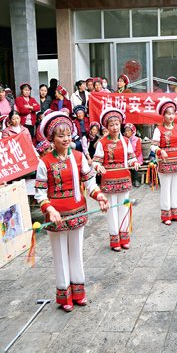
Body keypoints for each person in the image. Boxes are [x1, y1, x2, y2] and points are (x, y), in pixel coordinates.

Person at [34, 111, 109, 312]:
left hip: (77, 213)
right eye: (61, 135)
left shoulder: (78, 157)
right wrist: (49, 209)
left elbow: (90, 182)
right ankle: (64, 295)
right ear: (52, 138)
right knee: (60, 255)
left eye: (68, 134)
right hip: (56, 217)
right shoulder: (45, 162)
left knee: (76, 252)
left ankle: (78, 292)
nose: (66, 139)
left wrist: (99, 195)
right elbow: (40, 193)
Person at [93, 108, 140, 251]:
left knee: (124, 207)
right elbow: (96, 161)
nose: (114, 127)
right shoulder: (102, 142)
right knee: (112, 209)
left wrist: (135, 163)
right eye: (111, 124)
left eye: (117, 124)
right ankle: (114, 239)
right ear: (107, 127)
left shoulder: (126, 141)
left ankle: (125, 238)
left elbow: (131, 157)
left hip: (124, 178)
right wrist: (98, 167)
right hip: (108, 180)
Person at [151, 99, 177, 225]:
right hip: (164, 161)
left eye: (173, 113)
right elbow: (153, 146)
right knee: (165, 188)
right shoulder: (158, 129)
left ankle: (176, 213)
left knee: (175, 187)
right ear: (163, 115)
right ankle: (166, 215)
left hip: (176, 159)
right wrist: (160, 151)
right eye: (168, 114)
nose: (171, 116)